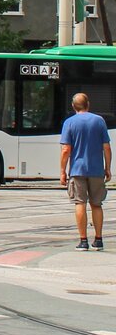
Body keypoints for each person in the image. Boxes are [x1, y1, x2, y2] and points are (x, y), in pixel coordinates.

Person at [60, 92, 112, 251]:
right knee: (97, 204)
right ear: (88, 104)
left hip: (77, 170)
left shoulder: (69, 123)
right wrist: (107, 168)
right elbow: (107, 147)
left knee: (79, 203)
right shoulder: (99, 121)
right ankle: (99, 239)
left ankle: (83, 241)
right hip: (96, 170)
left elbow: (66, 150)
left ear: (73, 106)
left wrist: (63, 171)